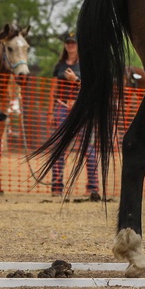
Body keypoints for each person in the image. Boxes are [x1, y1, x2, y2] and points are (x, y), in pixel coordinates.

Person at [50, 30, 100, 201]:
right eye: (68, 42)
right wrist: (52, 111)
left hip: (83, 109)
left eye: (73, 42)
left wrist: (76, 80)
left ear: (79, 45)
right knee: (59, 147)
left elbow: (93, 86)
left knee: (89, 147)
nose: (70, 45)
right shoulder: (59, 66)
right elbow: (53, 90)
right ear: (65, 45)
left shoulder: (87, 64)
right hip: (62, 108)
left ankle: (93, 187)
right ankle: (56, 187)